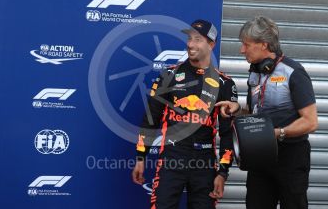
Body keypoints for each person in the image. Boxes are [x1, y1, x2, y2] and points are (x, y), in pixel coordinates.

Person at [131, 19, 238, 209]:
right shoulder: (169, 76)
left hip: (204, 163)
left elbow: (227, 133)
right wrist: (140, 157)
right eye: (189, 38)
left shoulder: (225, 84)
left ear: (211, 44)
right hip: (172, 158)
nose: (190, 44)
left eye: (198, 39)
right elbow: (150, 119)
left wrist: (223, 173)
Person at [215, 16, 318, 209]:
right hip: (260, 156)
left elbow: (311, 122)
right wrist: (238, 109)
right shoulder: (255, 73)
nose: (241, 50)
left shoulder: (294, 72)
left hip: (291, 156)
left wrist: (277, 133)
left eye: (246, 44)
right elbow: (255, 112)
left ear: (263, 45)